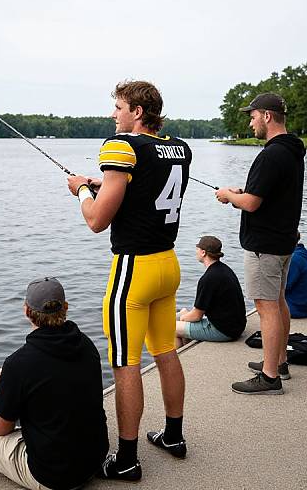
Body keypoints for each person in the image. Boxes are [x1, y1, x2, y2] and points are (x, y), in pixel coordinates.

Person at [67, 80, 192, 481]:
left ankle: (126, 458)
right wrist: (106, 183)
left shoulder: (120, 146)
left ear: (137, 112)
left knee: (125, 364)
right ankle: (174, 436)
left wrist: (83, 189)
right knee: (165, 351)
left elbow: (96, 221)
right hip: (168, 264)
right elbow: (145, 185)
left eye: (118, 106)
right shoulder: (178, 148)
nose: (113, 114)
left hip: (133, 271)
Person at [0, 277, 109, 490]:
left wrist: (1, 389)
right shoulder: (86, 344)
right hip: (94, 458)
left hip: (54, 476)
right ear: (65, 307)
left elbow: (1, 428)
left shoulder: (18, 363)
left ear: (27, 311)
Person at [216, 92, 305, 394]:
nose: (251, 121)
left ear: (267, 116)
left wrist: (230, 196)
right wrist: (243, 192)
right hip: (283, 242)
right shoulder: (292, 151)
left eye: (253, 116)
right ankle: (278, 362)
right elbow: (268, 194)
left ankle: (269, 378)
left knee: (266, 308)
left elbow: (252, 204)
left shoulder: (270, 154)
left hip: (264, 246)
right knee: (278, 302)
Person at [176, 235, 246, 348]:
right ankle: (188, 353)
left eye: (197, 249)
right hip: (236, 326)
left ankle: (177, 363)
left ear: (203, 253)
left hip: (223, 331)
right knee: (183, 313)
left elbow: (196, 316)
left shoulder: (208, 278)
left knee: (171, 329)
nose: (196, 252)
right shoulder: (225, 269)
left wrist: (184, 319)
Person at [285, 233, 307, 318]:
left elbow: (285, 286)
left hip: (298, 308)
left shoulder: (294, 259)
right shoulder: (301, 253)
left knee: (266, 306)